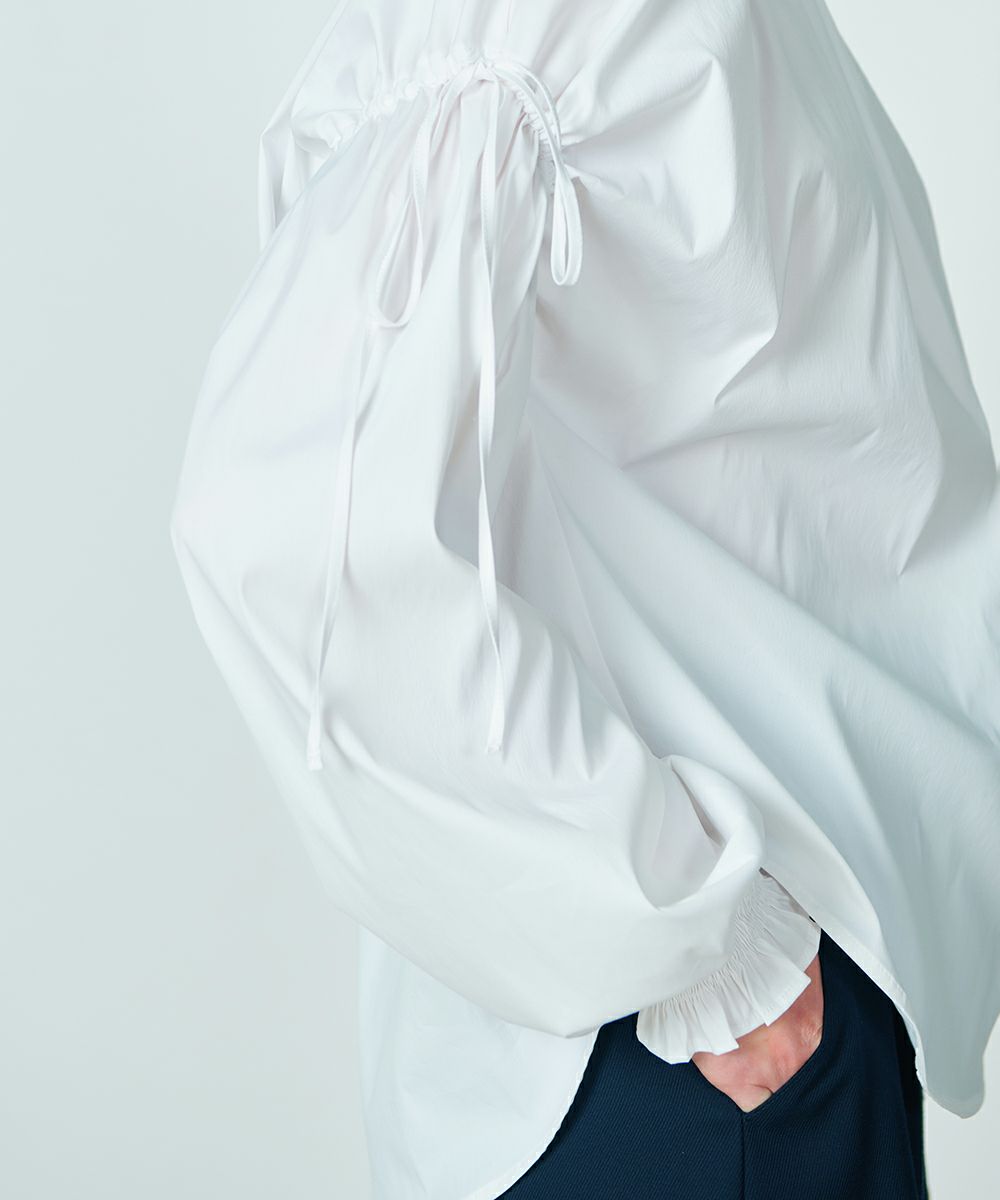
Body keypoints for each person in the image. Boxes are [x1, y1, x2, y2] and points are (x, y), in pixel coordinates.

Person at [169, 0, 999, 1196]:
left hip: (749, 1011)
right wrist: (715, 959)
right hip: (688, 1053)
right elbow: (295, 529)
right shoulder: (548, 23)